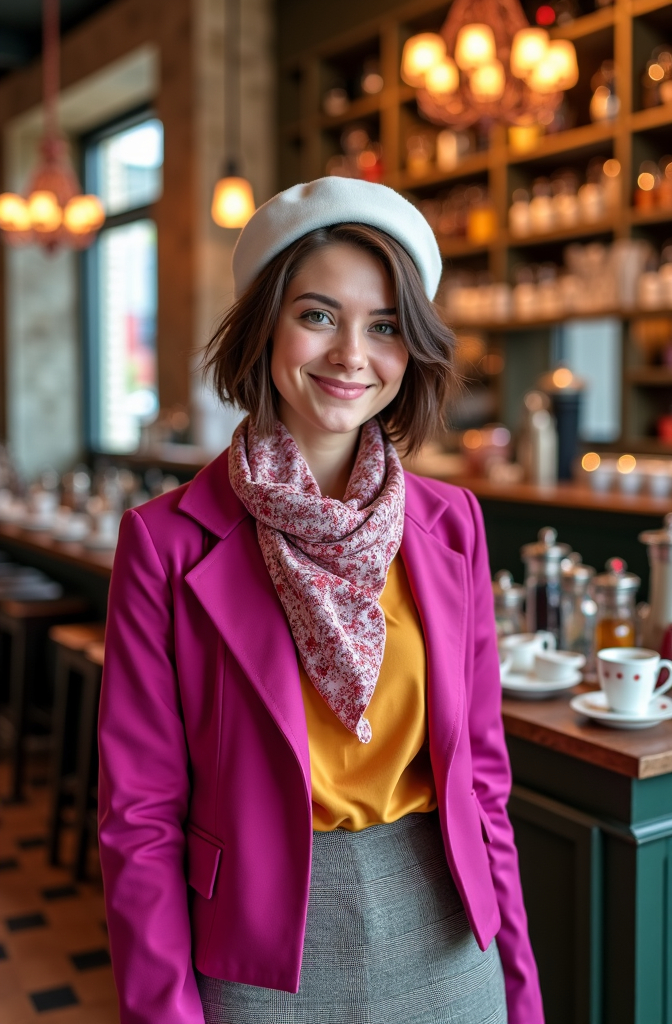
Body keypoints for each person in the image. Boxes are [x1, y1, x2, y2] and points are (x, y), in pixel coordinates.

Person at [98, 177, 544, 1024]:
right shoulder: (165, 541)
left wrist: (519, 990)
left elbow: (485, 784)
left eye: (383, 327)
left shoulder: (452, 524)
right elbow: (139, 815)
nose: (351, 355)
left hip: (448, 931)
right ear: (265, 323)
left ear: (409, 348)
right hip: (257, 954)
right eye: (318, 315)